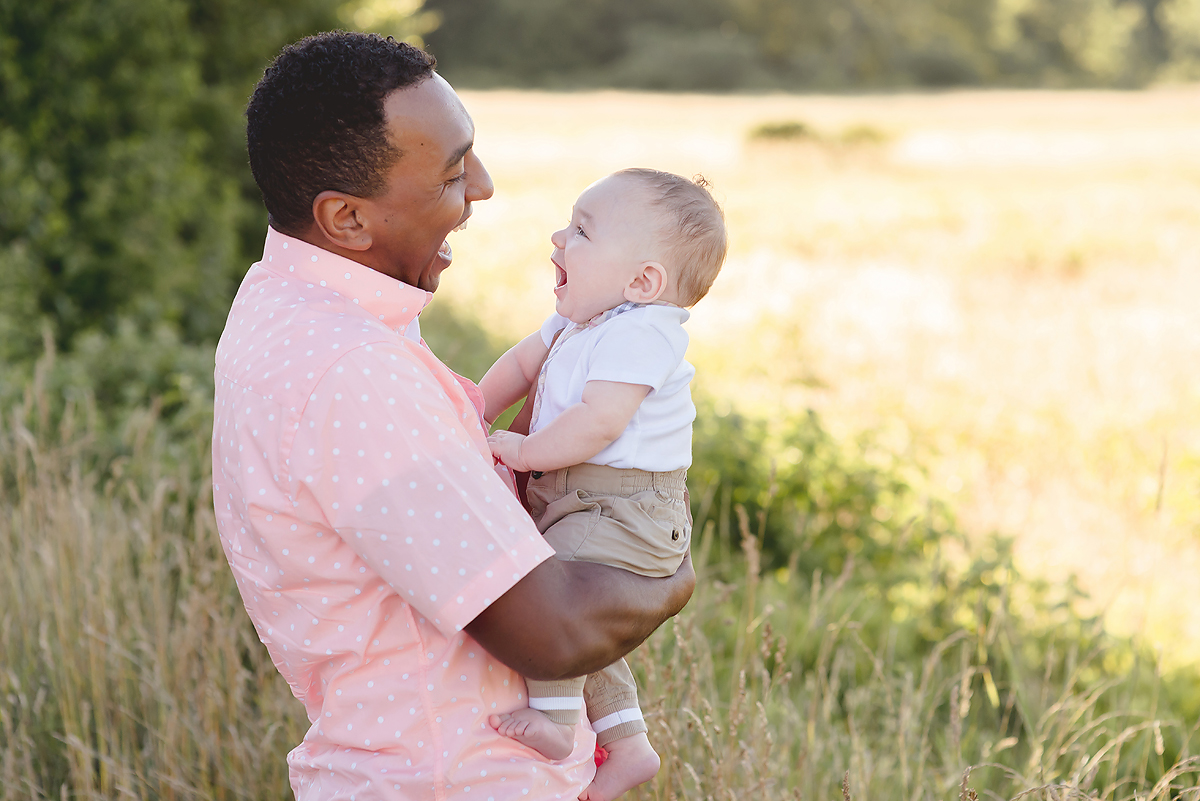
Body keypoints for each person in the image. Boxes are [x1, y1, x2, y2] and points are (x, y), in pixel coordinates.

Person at [211, 32, 694, 801]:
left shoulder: (288, 303)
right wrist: (675, 568)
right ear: (346, 219)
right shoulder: (353, 373)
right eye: (450, 172)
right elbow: (557, 631)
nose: (485, 185)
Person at [479, 169, 727, 801]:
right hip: (585, 495)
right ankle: (630, 745)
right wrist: (470, 409)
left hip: (628, 505)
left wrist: (525, 451)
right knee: (594, 633)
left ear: (642, 282)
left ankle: (559, 726)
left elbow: (601, 420)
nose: (558, 238)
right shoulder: (576, 322)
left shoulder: (640, 332)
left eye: (583, 231)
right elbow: (519, 365)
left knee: (552, 590)